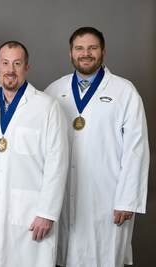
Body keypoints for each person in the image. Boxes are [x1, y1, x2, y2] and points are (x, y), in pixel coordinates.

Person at [45, 27, 149, 267]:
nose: (86, 53)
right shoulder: (54, 91)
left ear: (103, 52)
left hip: (107, 197)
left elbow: (137, 150)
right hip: (63, 194)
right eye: (79, 48)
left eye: (92, 48)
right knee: (63, 257)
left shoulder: (124, 92)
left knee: (103, 257)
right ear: (70, 53)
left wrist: (127, 200)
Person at [0, 41, 68, 267]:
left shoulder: (46, 107)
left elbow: (57, 164)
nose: (10, 70)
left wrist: (47, 213)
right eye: (5, 63)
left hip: (33, 214)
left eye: (17, 63)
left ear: (26, 68)